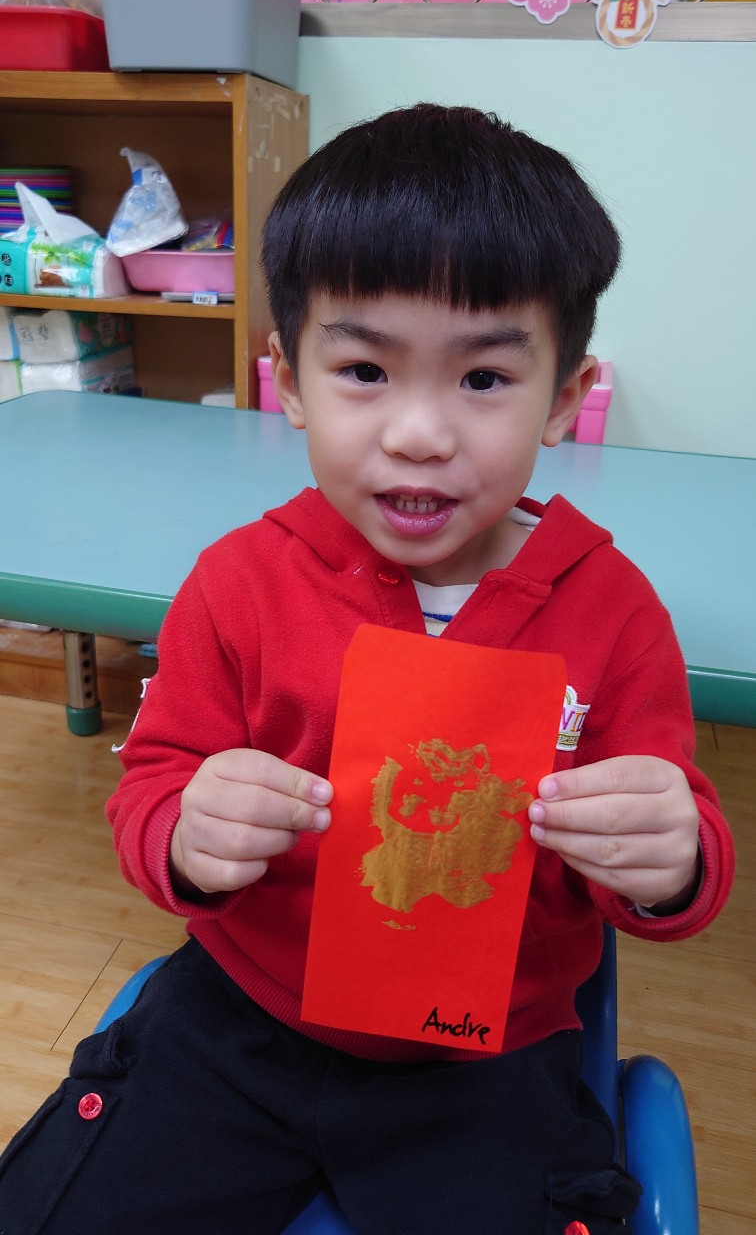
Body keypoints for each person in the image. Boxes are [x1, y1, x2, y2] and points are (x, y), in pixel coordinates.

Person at [0, 105, 734, 1235]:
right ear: (287, 380)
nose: (419, 433)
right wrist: (188, 833)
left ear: (564, 396)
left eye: (483, 379)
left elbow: (675, 843)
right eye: (362, 370)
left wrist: (669, 862)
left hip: (489, 1058)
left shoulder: (614, 613)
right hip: (246, 1020)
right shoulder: (239, 586)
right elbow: (154, 782)